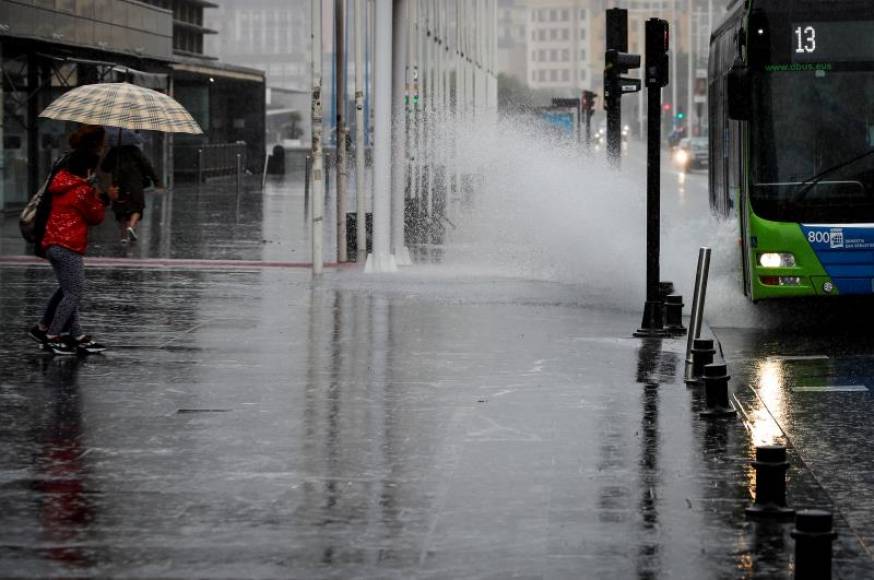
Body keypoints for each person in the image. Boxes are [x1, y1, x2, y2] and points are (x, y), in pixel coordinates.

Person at [28, 147, 118, 356]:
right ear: (87, 169)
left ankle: (74, 334)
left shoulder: (62, 183)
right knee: (74, 293)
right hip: (69, 246)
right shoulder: (82, 191)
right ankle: (52, 335)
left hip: (53, 244)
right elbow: (95, 217)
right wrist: (106, 198)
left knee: (68, 290)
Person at [101, 135, 161, 244]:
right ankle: (131, 226)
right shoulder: (135, 150)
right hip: (135, 183)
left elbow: (104, 167)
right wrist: (155, 180)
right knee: (137, 208)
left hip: (118, 183)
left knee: (121, 211)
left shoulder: (114, 151)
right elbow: (146, 165)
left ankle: (123, 237)